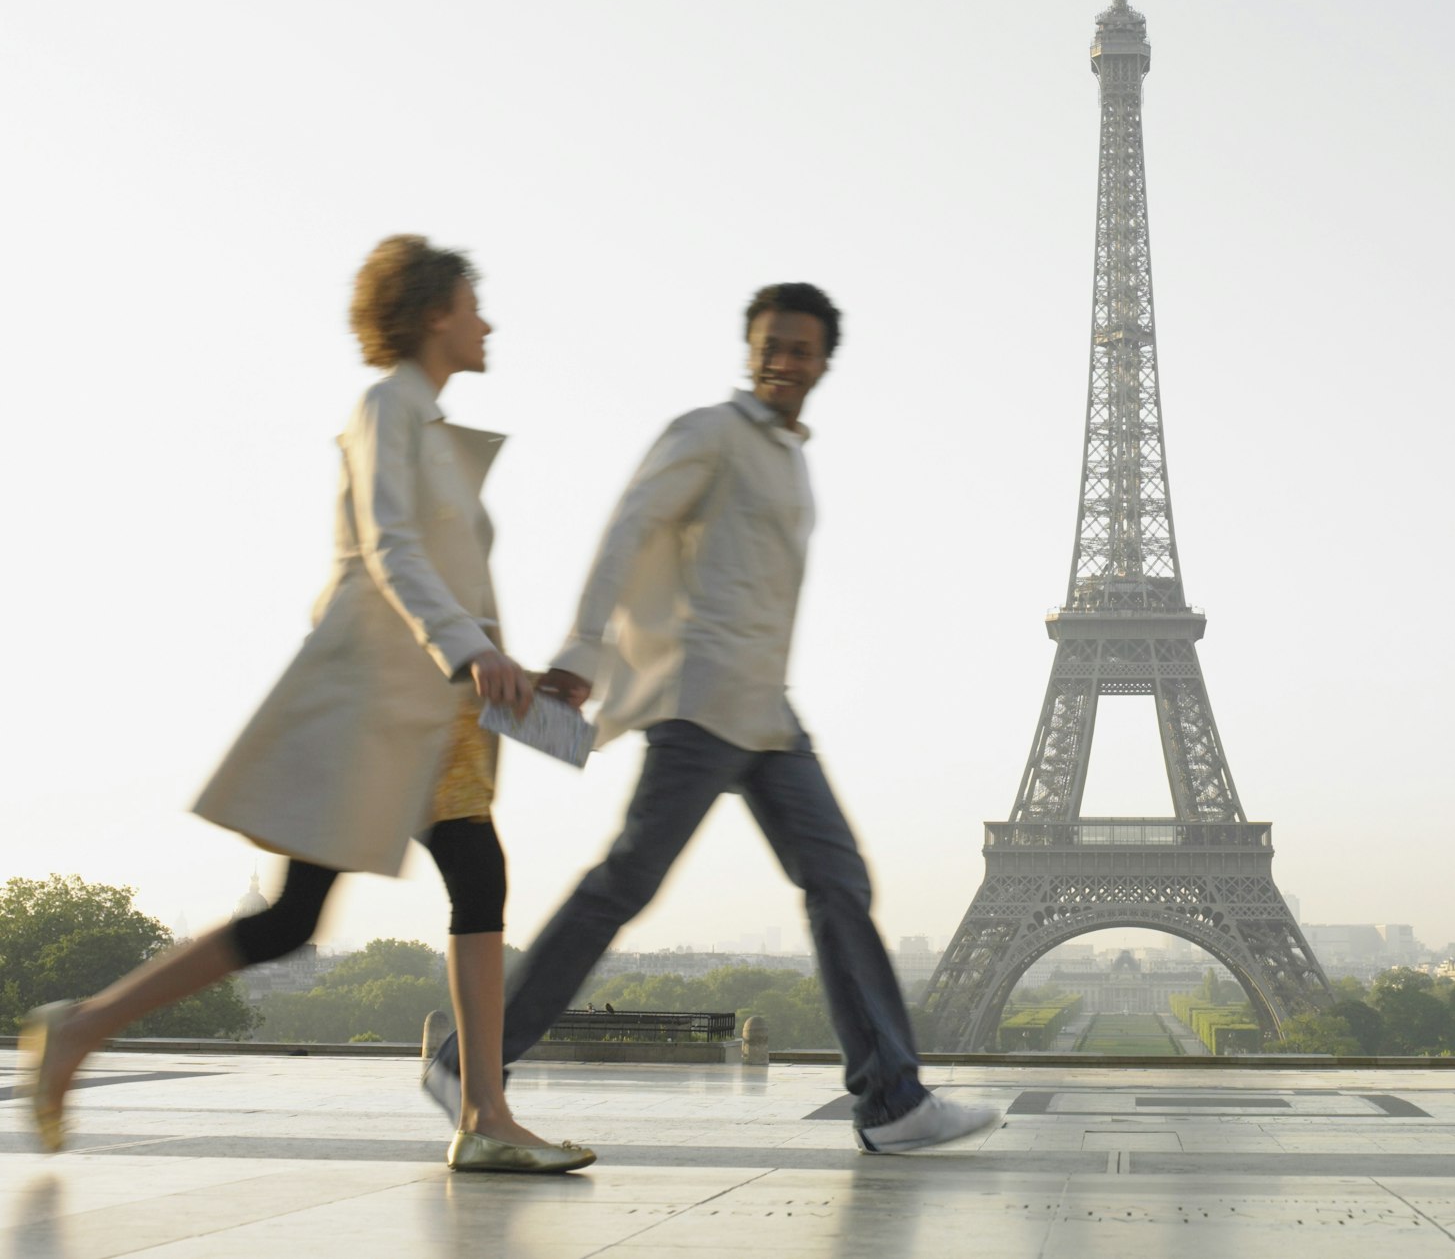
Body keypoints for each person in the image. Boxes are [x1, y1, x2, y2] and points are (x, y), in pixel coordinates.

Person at [23, 236, 593, 1175]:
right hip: (372, 702)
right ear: (433, 314)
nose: (487, 322)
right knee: (298, 918)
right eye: (473, 304)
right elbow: (391, 550)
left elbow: (437, 573)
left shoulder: (426, 426)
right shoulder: (383, 409)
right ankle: (80, 1029)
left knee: (468, 880)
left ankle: (486, 1113)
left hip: (433, 708)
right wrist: (475, 650)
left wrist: (512, 668)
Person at [427, 282, 996, 1153]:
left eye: (799, 348)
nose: (783, 361)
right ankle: (471, 1064)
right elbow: (630, 528)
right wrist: (583, 649)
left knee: (837, 880)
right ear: (751, 349)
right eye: (769, 344)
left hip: (765, 708)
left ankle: (892, 1102)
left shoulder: (790, 457)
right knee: (628, 884)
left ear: (823, 362)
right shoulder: (710, 433)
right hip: (700, 700)